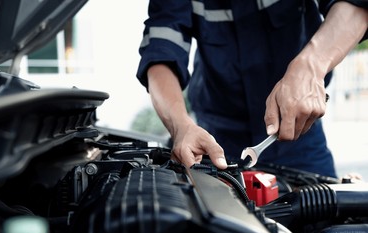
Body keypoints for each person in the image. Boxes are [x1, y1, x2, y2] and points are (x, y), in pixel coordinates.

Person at [136, 0, 368, 178]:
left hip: (300, 138)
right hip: (213, 144)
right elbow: (160, 50)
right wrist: (180, 126)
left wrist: (311, 65)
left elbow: (356, 5)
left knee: (326, 222)